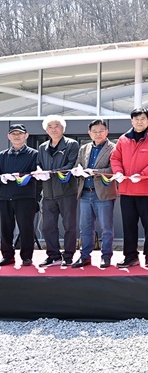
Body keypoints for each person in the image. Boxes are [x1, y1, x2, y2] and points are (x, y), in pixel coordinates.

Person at [111, 107, 148, 268]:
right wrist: (118, 172)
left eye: (143, 118)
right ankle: (130, 256)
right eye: (136, 119)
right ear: (131, 121)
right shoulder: (123, 139)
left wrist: (142, 175)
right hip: (127, 190)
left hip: (147, 191)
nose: (139, 121)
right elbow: (115, 158)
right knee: (129, 226)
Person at [72, 119, 117, 269]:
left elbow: (114, 170)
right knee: (85, 228)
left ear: (107, 132)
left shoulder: (114, 148)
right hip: (85, 193)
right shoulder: (84, 148)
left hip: (103, 193)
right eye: (94, 131)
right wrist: (77, 171)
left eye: (101, 131)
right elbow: (77, 165)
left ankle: (106, 256)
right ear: (89, 133)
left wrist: (95, 172)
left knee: (106, 228)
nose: (98, 134)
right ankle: (85, 256)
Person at [36, 115, 80, 267]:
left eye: (56, 126)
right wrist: (39, 171)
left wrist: (52, 172)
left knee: (69, 226)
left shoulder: (72, 144)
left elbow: (72, 164)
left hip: (67, 192)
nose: (53, 129)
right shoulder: (42, 147)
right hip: (48, 193)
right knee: (48, 227)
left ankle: (68, 255)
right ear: (46, 130)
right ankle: (53, 255)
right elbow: (39, 165)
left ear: (63, 128)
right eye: (50, 126)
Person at [0, 124, 39, 267]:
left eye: (20, 133)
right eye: (13, 134)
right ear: (8, 136)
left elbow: (37, 175)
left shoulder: (34, 154)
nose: (16, 136)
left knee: (26, 228)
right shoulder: (2, 155)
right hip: (4, 197)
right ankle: (7, 256)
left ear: (26, 135)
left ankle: (27, 257)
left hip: (25, 197)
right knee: (5, 229)